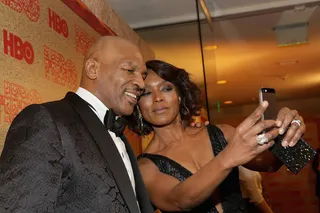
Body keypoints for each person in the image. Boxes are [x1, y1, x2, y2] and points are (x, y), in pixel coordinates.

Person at [126, 59, 306, 213]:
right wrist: (228, 157)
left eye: (166, 88)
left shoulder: (220, 133)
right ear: (138, 105)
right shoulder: (144, 167)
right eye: (147, 93)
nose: (157, 98)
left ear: (179, 96)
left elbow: (269, 164)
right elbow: (180, 200)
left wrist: (289, 131)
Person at [0, 36, 154, 213]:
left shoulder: (119, 133)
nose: (141, 84)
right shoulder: (46, 120)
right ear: (92, 69)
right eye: (129, 70)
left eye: (143, 76)